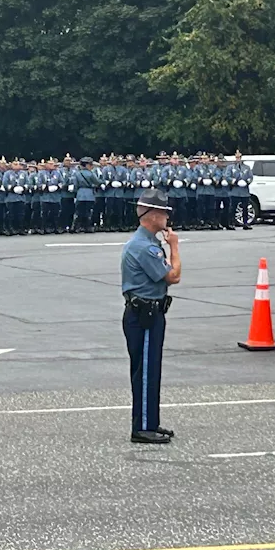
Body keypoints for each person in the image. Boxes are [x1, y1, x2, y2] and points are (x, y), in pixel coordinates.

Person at [120, 187, 182, 445]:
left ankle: (150, 421)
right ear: (153, 215)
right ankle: (143, 427)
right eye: (164, 212)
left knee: (150, 369)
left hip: (149, 311)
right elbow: (173, 276)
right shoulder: (145, 247)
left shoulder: (149, 243)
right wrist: (175, 247)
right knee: (145, 371)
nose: (167, 217)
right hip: (144, 314)